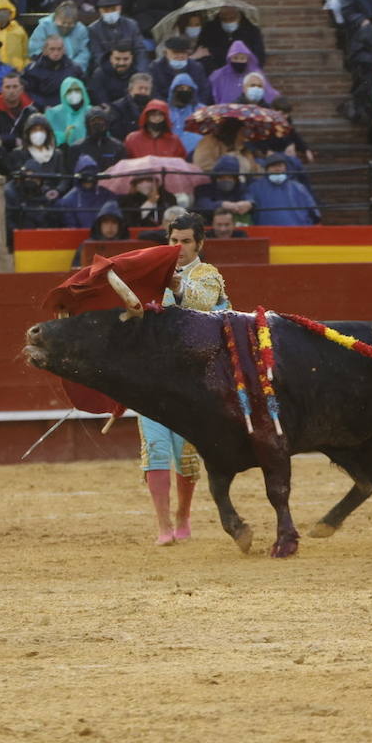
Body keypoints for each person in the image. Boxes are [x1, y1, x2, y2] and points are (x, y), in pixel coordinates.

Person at [137, 213, 228, 545]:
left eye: (186, 241)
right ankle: (163, 525)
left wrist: (174, 284)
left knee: (186, 454)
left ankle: (183, 515)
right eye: (173, 241)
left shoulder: (208, 275)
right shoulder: (150, 277)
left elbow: (201, 303)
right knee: (156, 449)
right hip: (153, 381)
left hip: (194, 383)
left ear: (199, 243)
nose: (178, 247)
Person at [245, 155, 320, 226]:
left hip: (297, 231)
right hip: (266, 230)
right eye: (273, 166)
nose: (277, 169)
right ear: (267, 169)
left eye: (280, 166)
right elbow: (248, 201)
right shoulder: (255, 187)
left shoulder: (298, 187)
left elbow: (312, 209)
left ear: (285, 168)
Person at [0, 70, 39, 149]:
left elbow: (35, 135)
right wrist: (12, 140)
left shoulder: (31, 111)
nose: (11, 91)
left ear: (21, 89)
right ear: (1, 90)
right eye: (7, 87)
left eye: (15, 87)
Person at [209, 41, 276, 106]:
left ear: (248, 59)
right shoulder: (219, 75)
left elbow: (269, 93)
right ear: (230, 58)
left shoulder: (255, 75)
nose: (239, 61)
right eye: (235, 58)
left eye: (242, 58)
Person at [7, 114, 69, 183]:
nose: (38, 133)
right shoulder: (18, 153)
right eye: (34, 130)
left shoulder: (57, 154)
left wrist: (57, 190)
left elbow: (64, 179)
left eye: (41, 130)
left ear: (47, 132)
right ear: (28, 133)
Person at [5, 162, 63, 234]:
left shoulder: (44, 192)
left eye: (35, 178)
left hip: (40, 236)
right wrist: (21, 235)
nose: (31, 181)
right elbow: (8, 222)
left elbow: (52, 220)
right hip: (19, 237)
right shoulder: (10, 193)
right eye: (28, 177)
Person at [193, 156, 254, 221]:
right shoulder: (205, 189)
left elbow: (248, 197)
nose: (226, 180)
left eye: (230, 177)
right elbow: (203, 204)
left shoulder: (240, 188)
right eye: (222, 177)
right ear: (215, 178)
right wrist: (222, 205)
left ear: (236, 179)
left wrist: (249, 203)